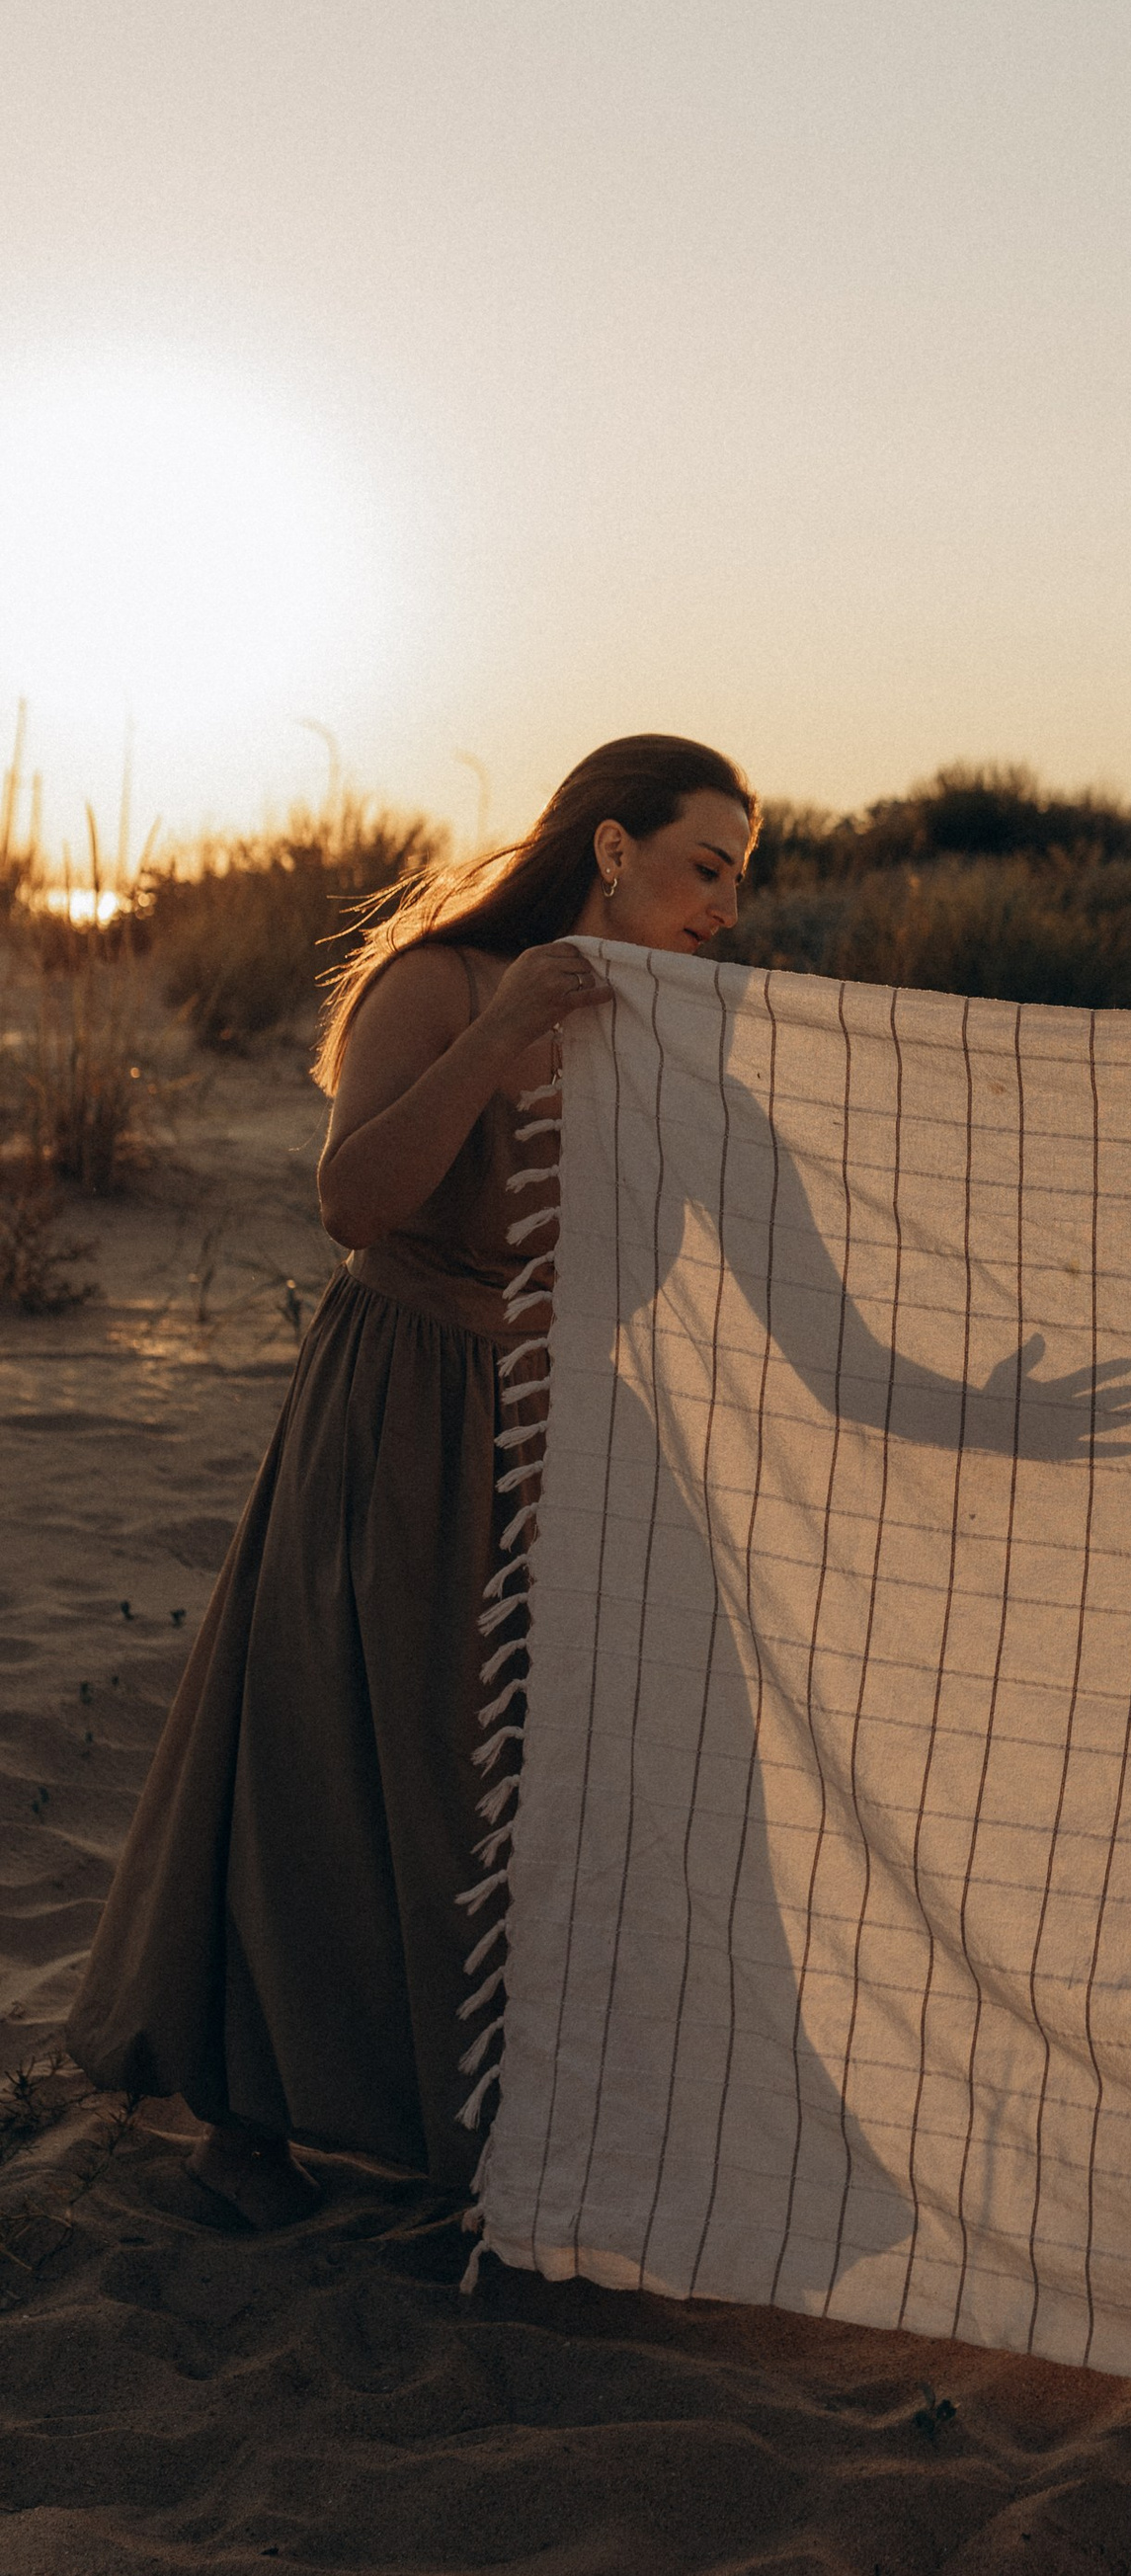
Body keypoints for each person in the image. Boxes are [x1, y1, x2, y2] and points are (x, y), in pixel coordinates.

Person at [68, 735, 760, 2227]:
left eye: (742, 880)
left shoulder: (683, 1040)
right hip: (400, 1406)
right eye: (708, 867)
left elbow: (799, 1291)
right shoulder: (441, 983)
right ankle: (252, 2119)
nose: (726, 906)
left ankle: (553, 2131)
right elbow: (352, 1201)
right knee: (343, 1748)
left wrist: (981, 1407)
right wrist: (501, 1027)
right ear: (613, 847)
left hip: (577, 1435)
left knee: (594, 1777)